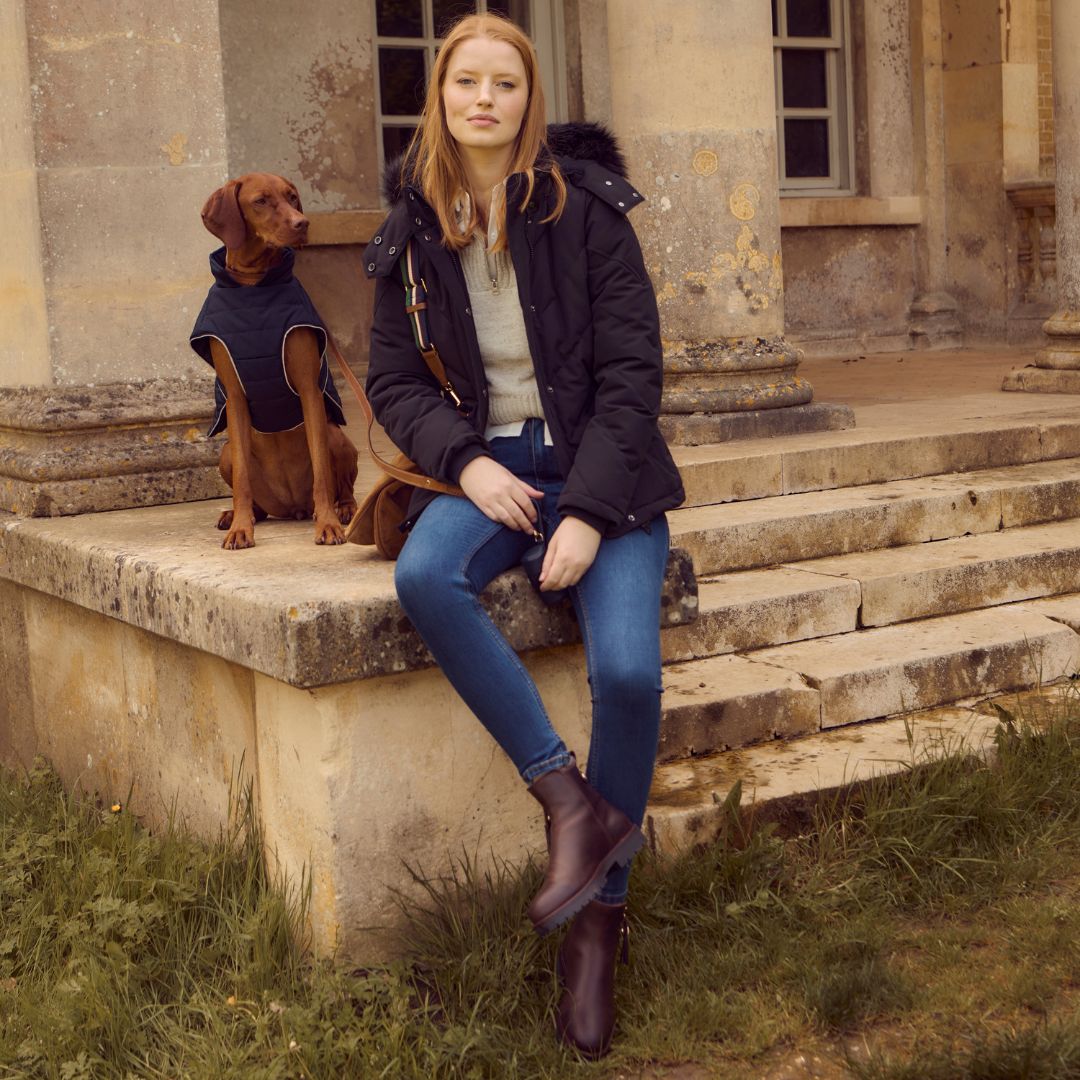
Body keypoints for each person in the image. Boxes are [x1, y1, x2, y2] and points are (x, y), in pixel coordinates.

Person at [363, 12, 685, 1059]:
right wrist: (469, 462)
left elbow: (636, 373)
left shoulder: (586, 209)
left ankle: (599, 923)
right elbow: (393, 382)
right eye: (468, 82)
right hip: (492, 467)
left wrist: (588, 512)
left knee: (630, 677)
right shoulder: (412, 227)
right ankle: (568, 803)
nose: (486, 98)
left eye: (506, 82)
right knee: (427, 574)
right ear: (443, 96)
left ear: (527, 97)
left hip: (608, 474)